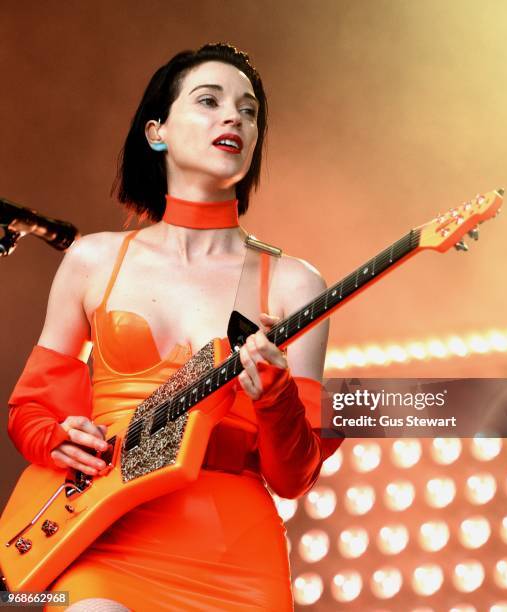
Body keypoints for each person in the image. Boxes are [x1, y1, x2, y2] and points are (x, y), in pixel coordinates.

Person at [6, 43, 342, 611]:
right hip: (105, 532)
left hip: (232, 549)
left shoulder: (294, 283)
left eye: (249, 110)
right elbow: (30, 409)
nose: (233, 116)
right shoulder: (93, 259)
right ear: (156, 132)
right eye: (208, 101)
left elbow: (294, 475)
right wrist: (58, 438)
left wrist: (276, 397)